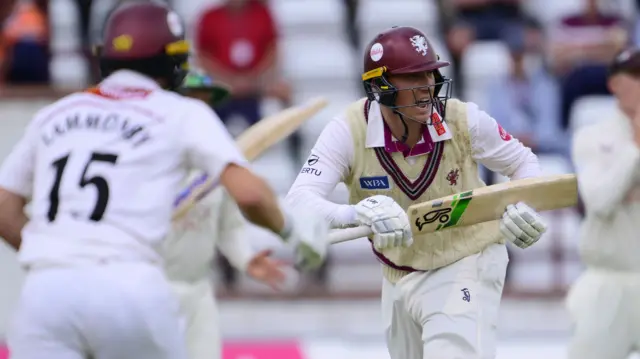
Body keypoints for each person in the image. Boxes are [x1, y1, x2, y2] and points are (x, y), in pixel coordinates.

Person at [0, 2, 327, 359]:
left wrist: (55, 252)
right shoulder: (181, 112)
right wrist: (292, 230)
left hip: (46, 293)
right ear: (174, 61)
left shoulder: (55, 113)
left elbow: (4, 206)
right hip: (130, 285)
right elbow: (249, 195)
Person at [285, 26, 547, 359]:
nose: (427, 88)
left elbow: (524, 163)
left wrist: (522, 206)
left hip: (467, 260)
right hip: (397, 273)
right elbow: (298, 201)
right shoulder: (348, 129)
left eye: (430, 75)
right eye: (413, 78)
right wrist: (355, 213)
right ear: (380, 86)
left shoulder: (463, 119)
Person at [165, 71, 289, 359]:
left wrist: (246, 259)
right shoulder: (149, 163)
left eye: (207, 104)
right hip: (151, 289)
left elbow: (229, 228)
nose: (202, 112)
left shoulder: (217, 168)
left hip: (198, 290)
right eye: (194, 103)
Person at [567, 46, 640, 359]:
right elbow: (599, 201)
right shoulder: (593, 136)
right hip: (608, 282)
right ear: (614, 84)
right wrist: (635, 148)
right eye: (635, 76)